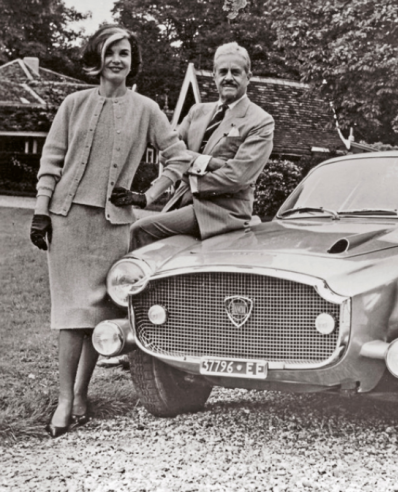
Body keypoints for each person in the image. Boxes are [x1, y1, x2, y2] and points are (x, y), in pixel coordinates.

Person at [29, 25, 191, 438]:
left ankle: (82, 395)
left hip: (111, 225)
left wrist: (144, 193)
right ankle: (65, 401)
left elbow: (179, 158)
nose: (118, 60)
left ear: (133, 61)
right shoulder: (73, 104)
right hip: (67, 223)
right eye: (110, 52)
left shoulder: (147, 109)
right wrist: (41, 212)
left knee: (97, 315)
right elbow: (50, 161)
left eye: (125, 53)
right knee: (71, 317)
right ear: (97, 58)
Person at [113, 42, 274, 249]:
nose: (228, 78)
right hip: (183, 201)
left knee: (142, 229)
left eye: (236, 72)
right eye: (222, 71)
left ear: (248, 76)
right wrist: (212, 162)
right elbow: (166, 153)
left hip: (223, 211)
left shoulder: (260, 121)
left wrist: (190, 168)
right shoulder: (197, 111)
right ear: (214, 75)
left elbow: (237, 177)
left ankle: (129, 281)